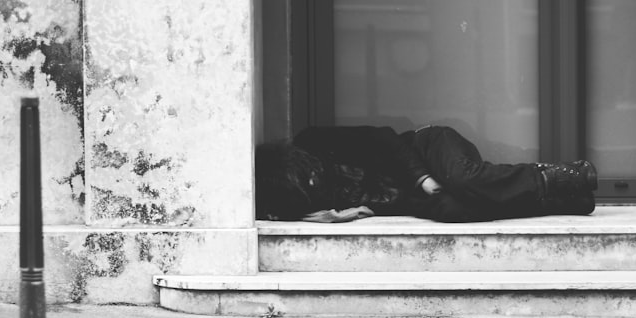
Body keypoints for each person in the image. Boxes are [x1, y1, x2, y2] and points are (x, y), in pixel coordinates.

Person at [255, 124, 598, 223]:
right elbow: (402, 203)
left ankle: (563, 177)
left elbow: (384, 138)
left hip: (426, 150)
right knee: (453, 210)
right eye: (307, 185)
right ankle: (566, 201)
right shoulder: (306, 202)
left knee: (465, 179)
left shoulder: (313, 141)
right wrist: (362, 212)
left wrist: (422, 177)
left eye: (310, 172)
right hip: (420, 195)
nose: (315, 179)